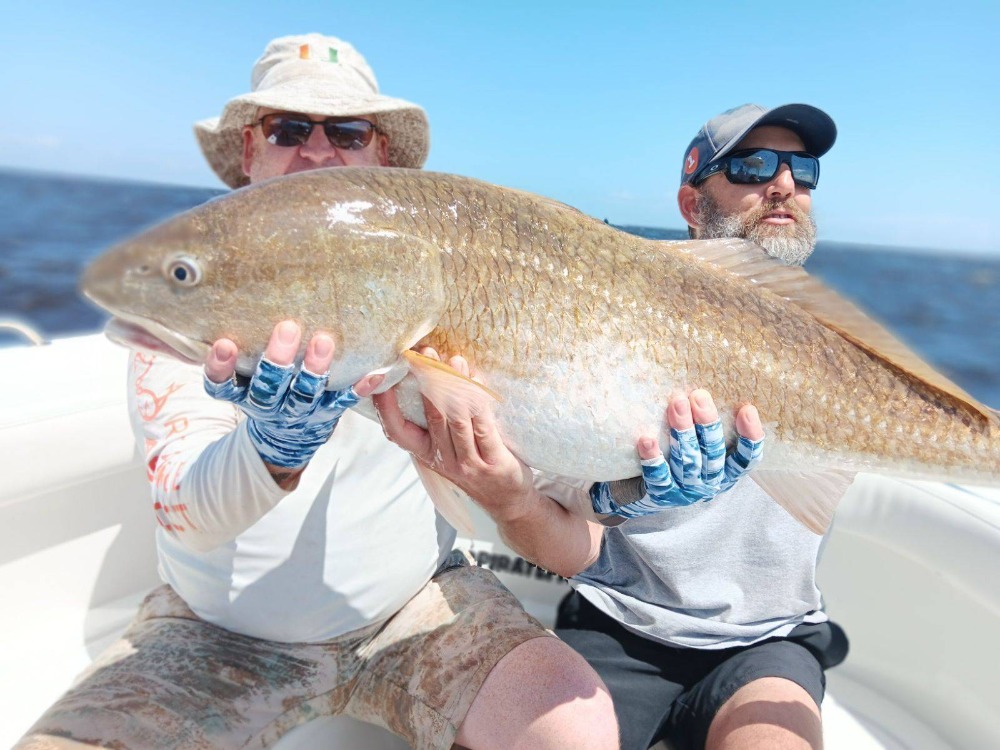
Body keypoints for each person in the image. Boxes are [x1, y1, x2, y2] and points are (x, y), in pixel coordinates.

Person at [17, 34, 624, 750]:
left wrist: (625, 493)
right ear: (249, 152)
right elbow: (188, 514)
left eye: (346, 131)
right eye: (287, 129)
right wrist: (270, 450)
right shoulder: (200, 299)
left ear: (382, 158)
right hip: (218, 638)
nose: (316, 150)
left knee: (574, 724)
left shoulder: (453, 290)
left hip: (416, 608)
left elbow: (556, 479)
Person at [374, 103, 849, 750]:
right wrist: (515, 495)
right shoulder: (584, 322)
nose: (784, 184)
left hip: (769, 641)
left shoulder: (843, 355)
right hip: (614, 621)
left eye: (802, 168)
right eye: (752, 165)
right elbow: (569, 544)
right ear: (691, 203)